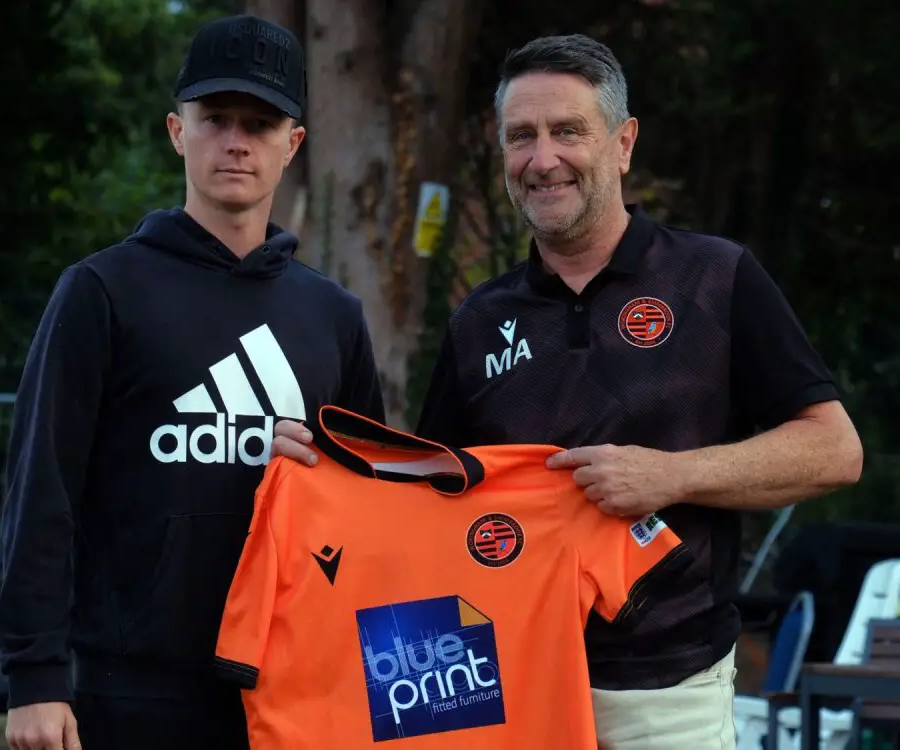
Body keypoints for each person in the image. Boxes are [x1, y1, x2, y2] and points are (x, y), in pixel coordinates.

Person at [272, 33, 863, 749]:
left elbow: (835, 450)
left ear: (622, 142)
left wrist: (671, 475)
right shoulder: (478, 320)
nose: (542, 159)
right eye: (521, 137)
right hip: (501, 679)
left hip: (665, 695)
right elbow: (429, 507)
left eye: (567, 131)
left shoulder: (716, 278)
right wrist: (321, 471)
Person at [0, 13, 384, 750]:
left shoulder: (332, 316)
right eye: (216, 119)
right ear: (178, 130)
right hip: (124, 689)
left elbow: (369, 512)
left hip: (289, 687)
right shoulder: (101, 291)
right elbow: (41, 490)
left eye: (261, 122)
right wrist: (35, 678)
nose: (236, 140)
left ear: (292, 144)